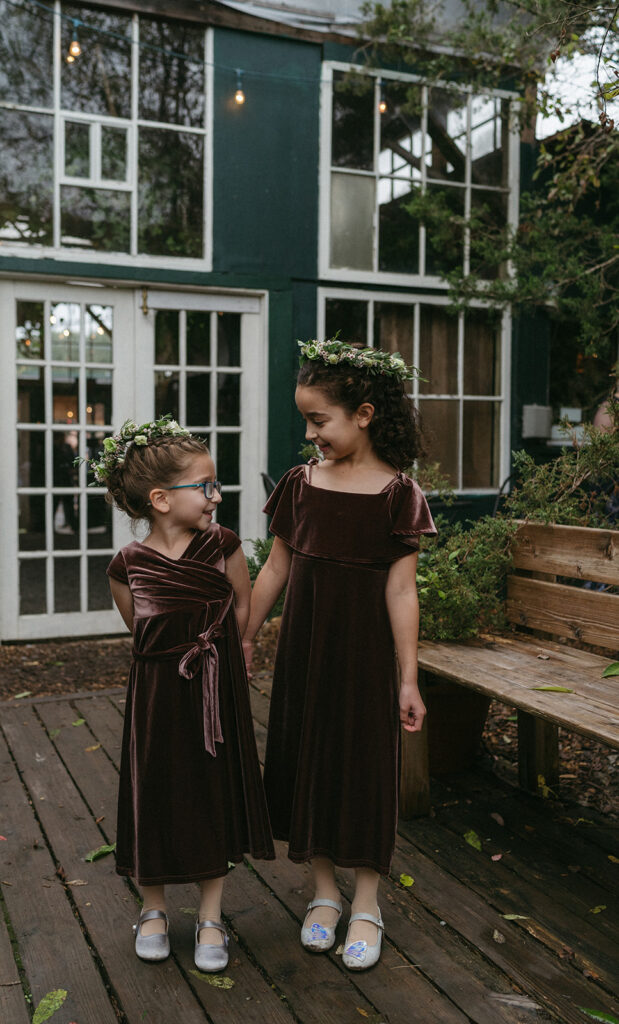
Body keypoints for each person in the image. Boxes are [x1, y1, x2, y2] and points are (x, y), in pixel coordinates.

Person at [244, 340, 436, 972]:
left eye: (319, 420)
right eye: (306, 421)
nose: (311, 433)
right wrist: (246, 633)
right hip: (304, 650)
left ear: (364, 414)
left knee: (363, 768)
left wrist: (408, 678)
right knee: (305, 757)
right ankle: (324, 893)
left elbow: (402, 589)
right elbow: (275, 569)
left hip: (366, 658)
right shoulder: (301, 485)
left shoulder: (398, 494)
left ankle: (368, 903)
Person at [89, 415, 274, 970]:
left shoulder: (222, 545)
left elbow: (242, 604)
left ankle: (212, 914)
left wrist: (235, 649)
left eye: (215, 486)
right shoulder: (127, 566)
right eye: (206, 487)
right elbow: (139, 631)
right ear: (161, 499)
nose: (216, 496)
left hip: (214, 688)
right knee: (157, 788)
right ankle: (153, 908)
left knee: (209, 788)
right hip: (156, 696)